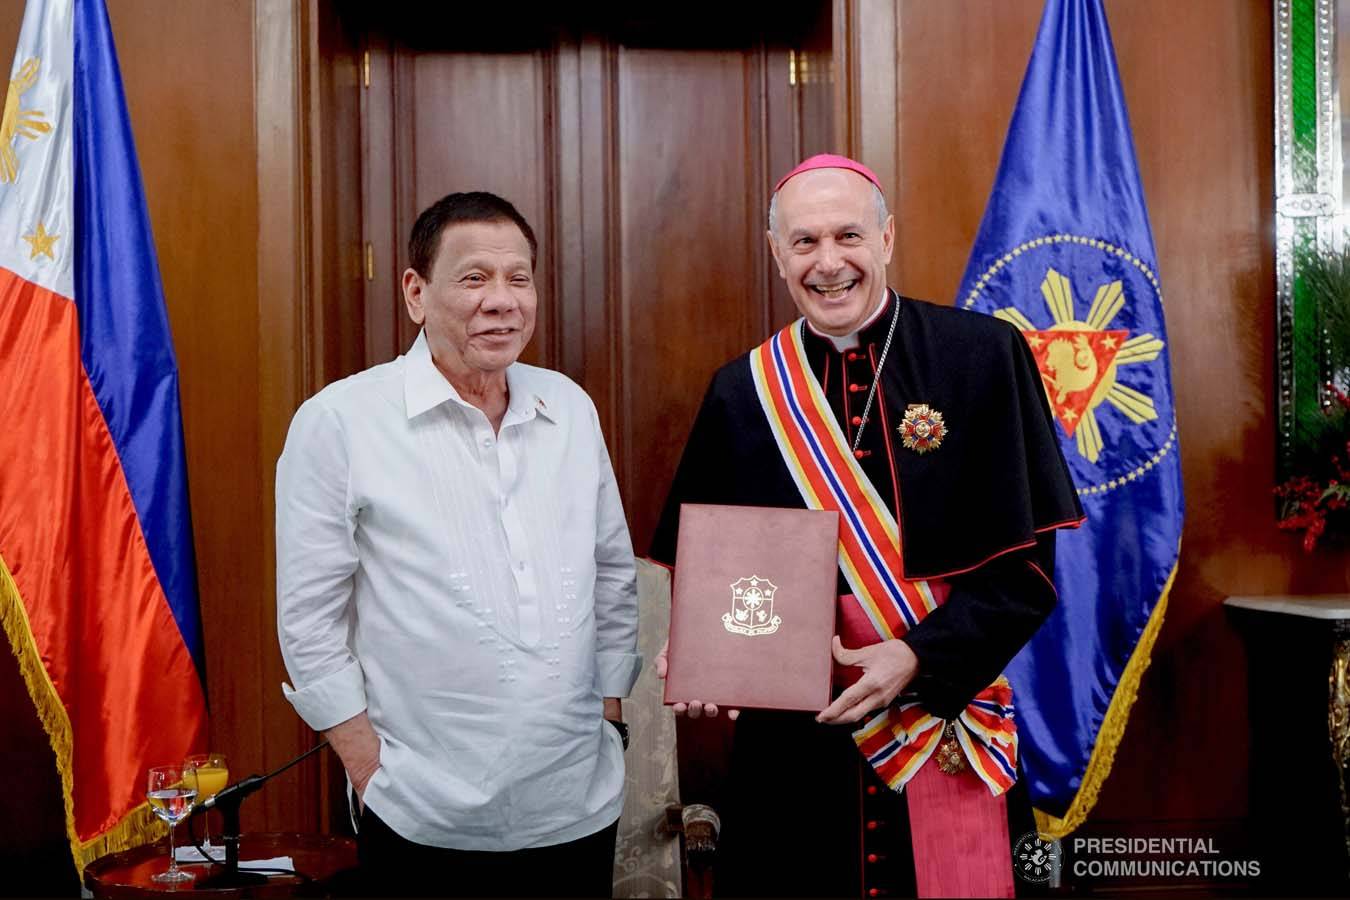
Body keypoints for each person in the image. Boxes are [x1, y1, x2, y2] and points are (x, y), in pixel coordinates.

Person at [650, 156, 1084, 897]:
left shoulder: (982, 358)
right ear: (776, 254)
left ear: (886, 237)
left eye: (848, 235)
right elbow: (713, 575)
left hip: (940, 712)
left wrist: (916, 657)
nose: (828, 262)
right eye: (805, 241)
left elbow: (1029, 572)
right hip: (797, 746)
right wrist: (700, 652)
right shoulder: (741, 391)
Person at [276, 191, 641, 897]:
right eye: (474, 278)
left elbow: (611, 573)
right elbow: (309, 620)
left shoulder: (567, 406)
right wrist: (366, 766)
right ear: (416, 292)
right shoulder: (340, 421)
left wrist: (610, 717)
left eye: (518, 278)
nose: (502, 300)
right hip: (420, 813)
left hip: (576, 806)